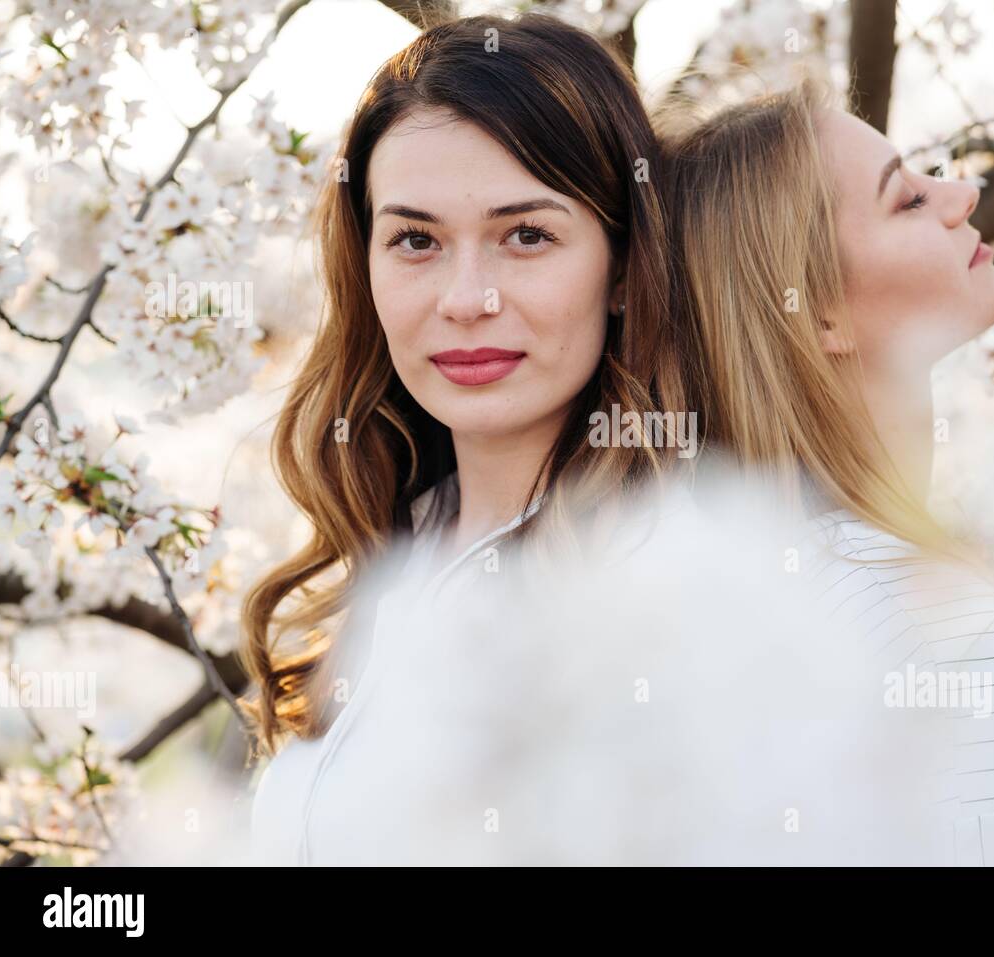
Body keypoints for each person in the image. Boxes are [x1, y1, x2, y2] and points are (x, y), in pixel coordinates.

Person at [660, 78, 994, 865]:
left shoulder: (743, 611)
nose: (963, 191)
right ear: (819, 311)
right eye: (909, 201)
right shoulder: (952, 644)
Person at [243, 13, 689, 864]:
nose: (466, 297)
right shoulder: (391, 551)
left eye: (527, 235)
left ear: (626, 267)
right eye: (416, 240)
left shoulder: (680, 574)